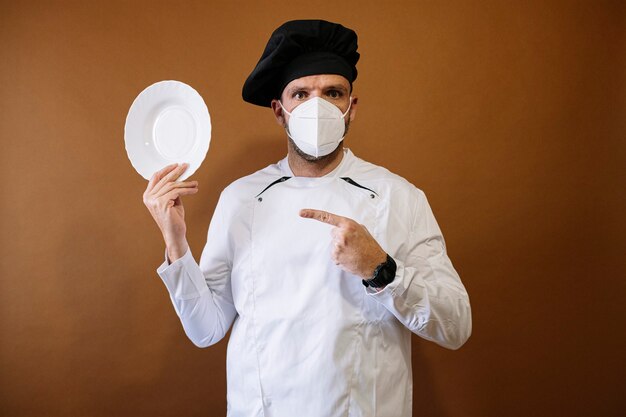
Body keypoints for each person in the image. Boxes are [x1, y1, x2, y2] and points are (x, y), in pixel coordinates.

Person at [143, 19, 471, 417]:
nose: (318, 106)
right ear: (280, 112)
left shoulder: (398, 197)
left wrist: (382, 271)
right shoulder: (241, 199)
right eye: (302, 93)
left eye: (333, 93)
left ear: (351, 108)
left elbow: (455, 326)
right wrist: (175, 243)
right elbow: (206, 329)